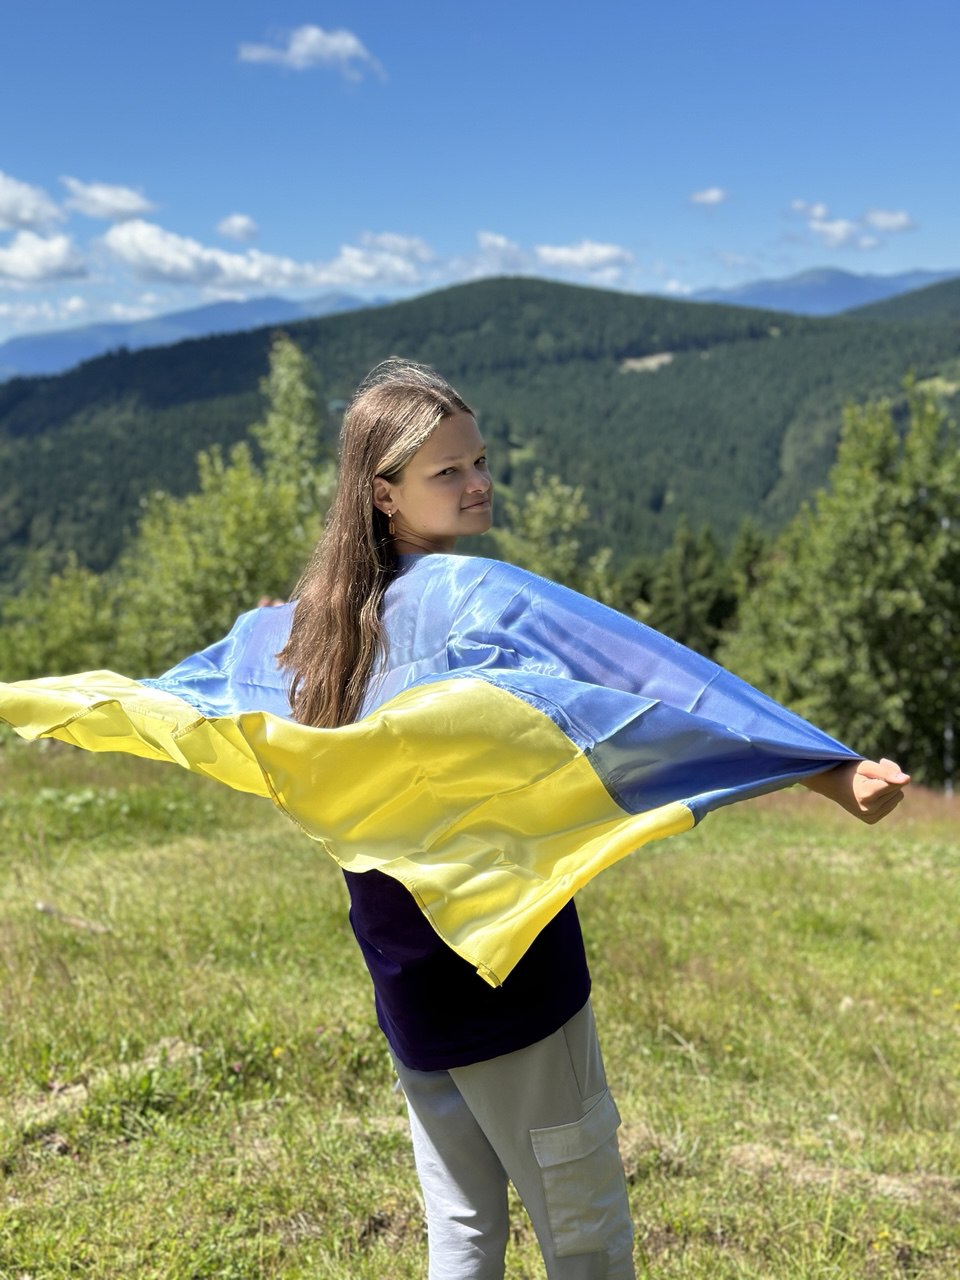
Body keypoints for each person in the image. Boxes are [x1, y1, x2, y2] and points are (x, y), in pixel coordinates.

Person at [0, 359, 909, 1280]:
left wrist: (29, 698)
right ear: (384, 495)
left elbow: (174, 695)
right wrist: (818, 764)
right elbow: (643, 678)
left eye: (480, 460)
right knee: (586, 1235)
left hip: (405, 975)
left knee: (464, 1228)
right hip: (507, 966)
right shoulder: (478, 598)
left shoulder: (296, 631)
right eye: (448, 472)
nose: (478, 483)